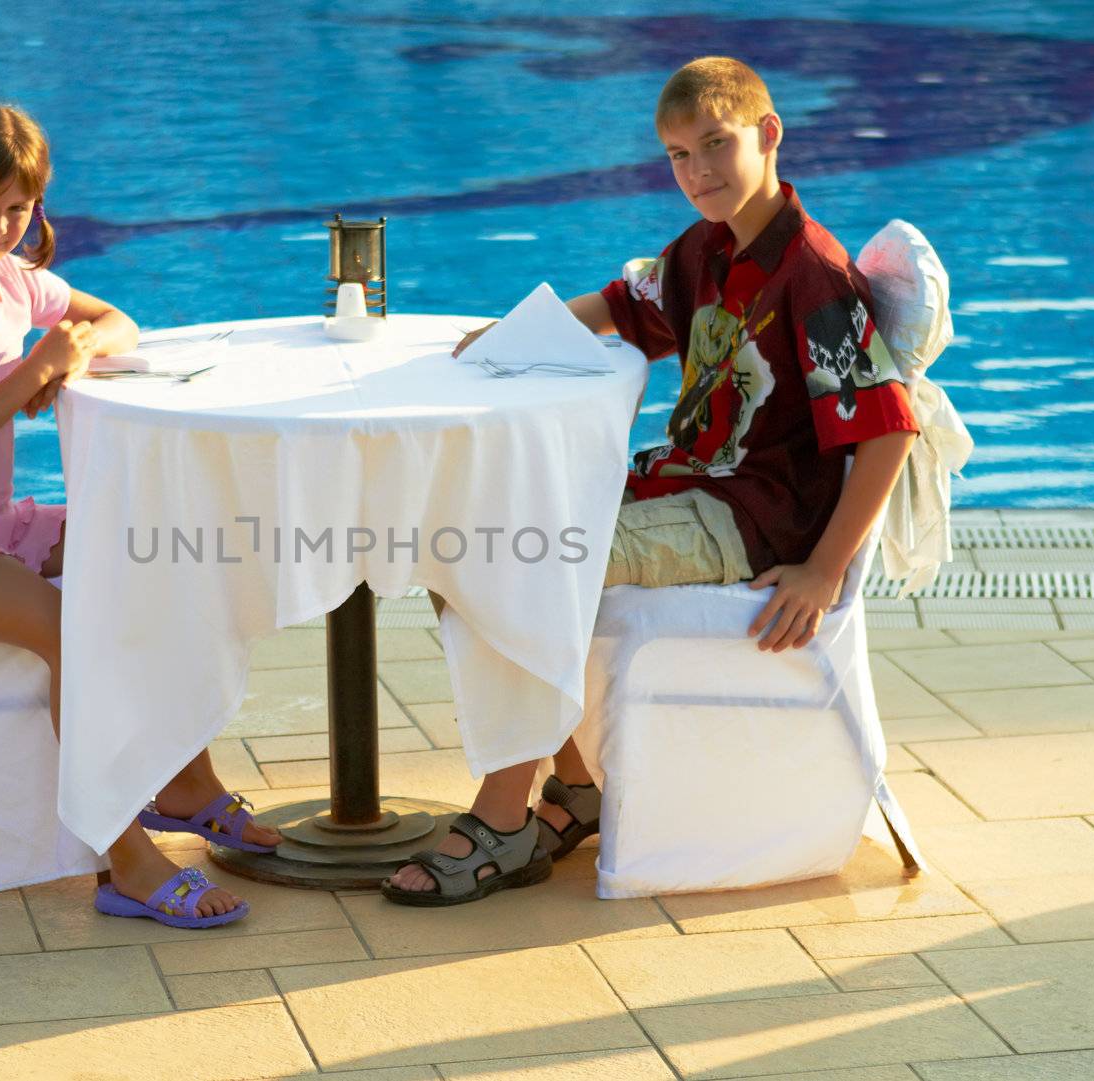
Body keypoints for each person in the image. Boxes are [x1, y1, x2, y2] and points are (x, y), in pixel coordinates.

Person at [385, 57, 919, 906]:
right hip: (679, 485)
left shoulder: (809, 274)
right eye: (678, 155)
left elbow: (886, 430)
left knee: (517, 565)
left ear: (768, 133)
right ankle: (573, 785)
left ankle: (503, 816)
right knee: (462, 554)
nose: (698, 172)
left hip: (745, 517)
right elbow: (619, 305)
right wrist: (510, 337)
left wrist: (823, 571)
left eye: (716, 144)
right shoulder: (706, 247)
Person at [0, 104, 280, 928]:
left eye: (17, 208)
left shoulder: (12, 280)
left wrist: (69, 353)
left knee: (157, 554)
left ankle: (185, 782)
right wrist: (38, 368)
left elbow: (116, 321)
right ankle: (125, 860)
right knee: (72, 629)